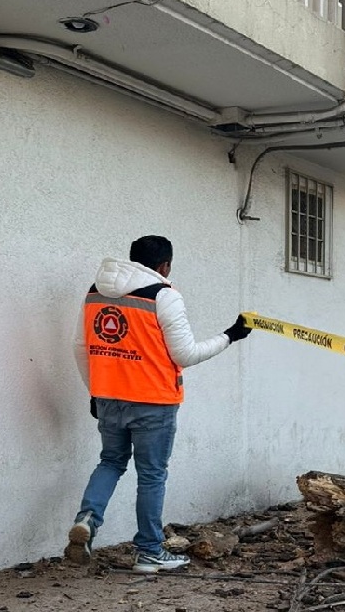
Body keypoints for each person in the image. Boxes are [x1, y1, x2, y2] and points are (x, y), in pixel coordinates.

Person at [65, 235, 252, 573]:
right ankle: (149, 551)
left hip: (108, 397)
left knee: (110, 462)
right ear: (164, 266)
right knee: (151, 476)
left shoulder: (95, 293)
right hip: (153, 401)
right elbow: (186, 354)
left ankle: (88, 518)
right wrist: (230, 335)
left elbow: (80, 346)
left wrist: (94, 391)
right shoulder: (163, 295)